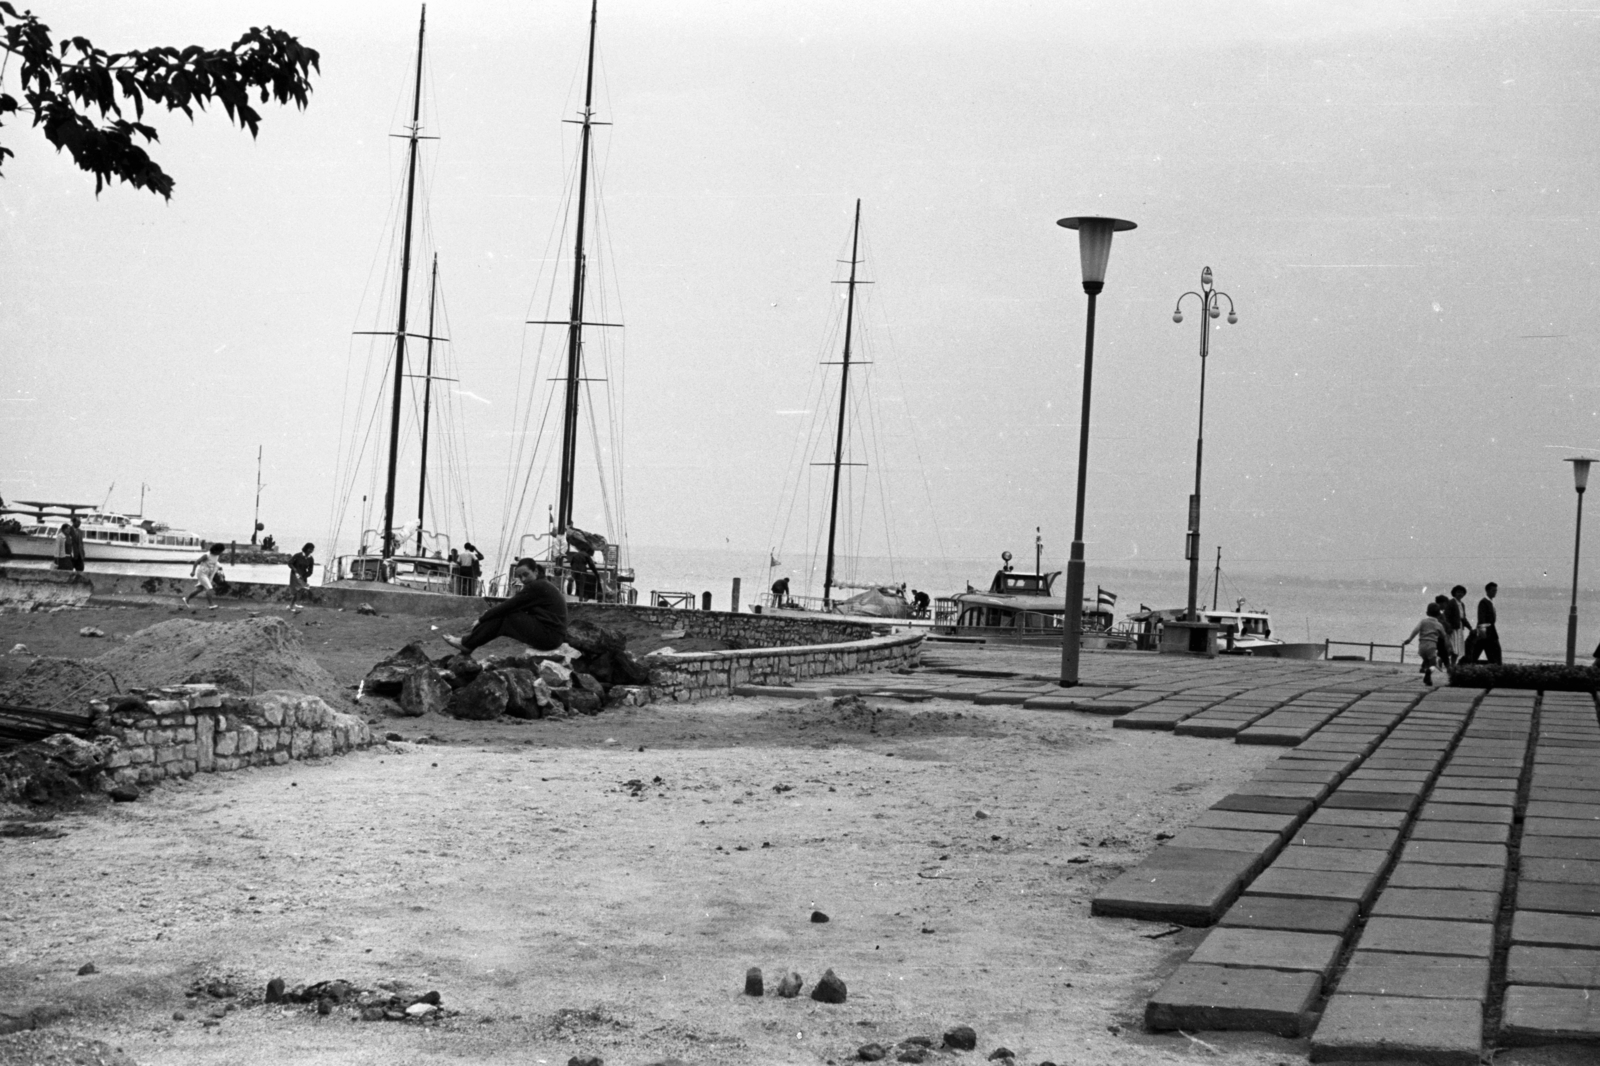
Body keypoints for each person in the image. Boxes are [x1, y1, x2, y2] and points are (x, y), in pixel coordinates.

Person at [443, 558, 567, 655]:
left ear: (535, 571)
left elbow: (508, 606)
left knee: (506, 615)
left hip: (550, 637)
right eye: (519, 576)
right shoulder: (542, 584)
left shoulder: (537, 586)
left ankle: (467, 643)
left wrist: (482, 619)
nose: (523, 579)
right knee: (504, 616)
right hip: (553, 637)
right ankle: (468, 643)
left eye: (526, 574)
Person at [1401, 602, 1449, 686]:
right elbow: (1445, 636)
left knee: (1426, 662)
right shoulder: (1439, 624)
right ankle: (1429, 672)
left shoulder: (1423, 622)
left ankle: (1428, 679)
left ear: (1427, 613)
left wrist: (1409, 640)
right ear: (1439, 614)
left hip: (1422, 646)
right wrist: (1448, 646)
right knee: (1433, 664)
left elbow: (1415, 631)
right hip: (1432, 646)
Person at [184, 543, 227, 609]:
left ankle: (186, 599)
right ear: (215, 550)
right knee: (210, 588)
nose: (220, 553)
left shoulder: (217, 555)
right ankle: (211, 605)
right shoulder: (206, 555)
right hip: (202, 573)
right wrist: (193, 571)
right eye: (220, 551)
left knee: (199, 589)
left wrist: (220, 568)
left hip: (208, 574)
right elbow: (197, 562)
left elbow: (215, 563)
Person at [287, 542, 315, 611]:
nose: (311, 551)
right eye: (310, 549)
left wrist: (306, 576)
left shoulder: (311, 558)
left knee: (301, 590)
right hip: (295, 575)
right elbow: (290, 563)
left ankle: (295, 604)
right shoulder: (298, 555)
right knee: (296, 591)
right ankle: (291, 606)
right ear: (306, 548)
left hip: (303, 576)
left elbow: (311, 570)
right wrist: (295, 570)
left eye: (312, 549)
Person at [1447, 585, 1470, 664]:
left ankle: (1452, 664)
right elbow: (1447, 616)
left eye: (1462, 592)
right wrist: (1448, 628)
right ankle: (1444, 660)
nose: (1460, 594)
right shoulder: (1451, 602)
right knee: (1453, 649)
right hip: (1452, 629)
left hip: (1459, 629)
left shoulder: (1462, 604)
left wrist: (1470, 628)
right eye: (1458, 592)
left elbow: (1463, 618)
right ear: (1454, 593)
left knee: (1457, 649)